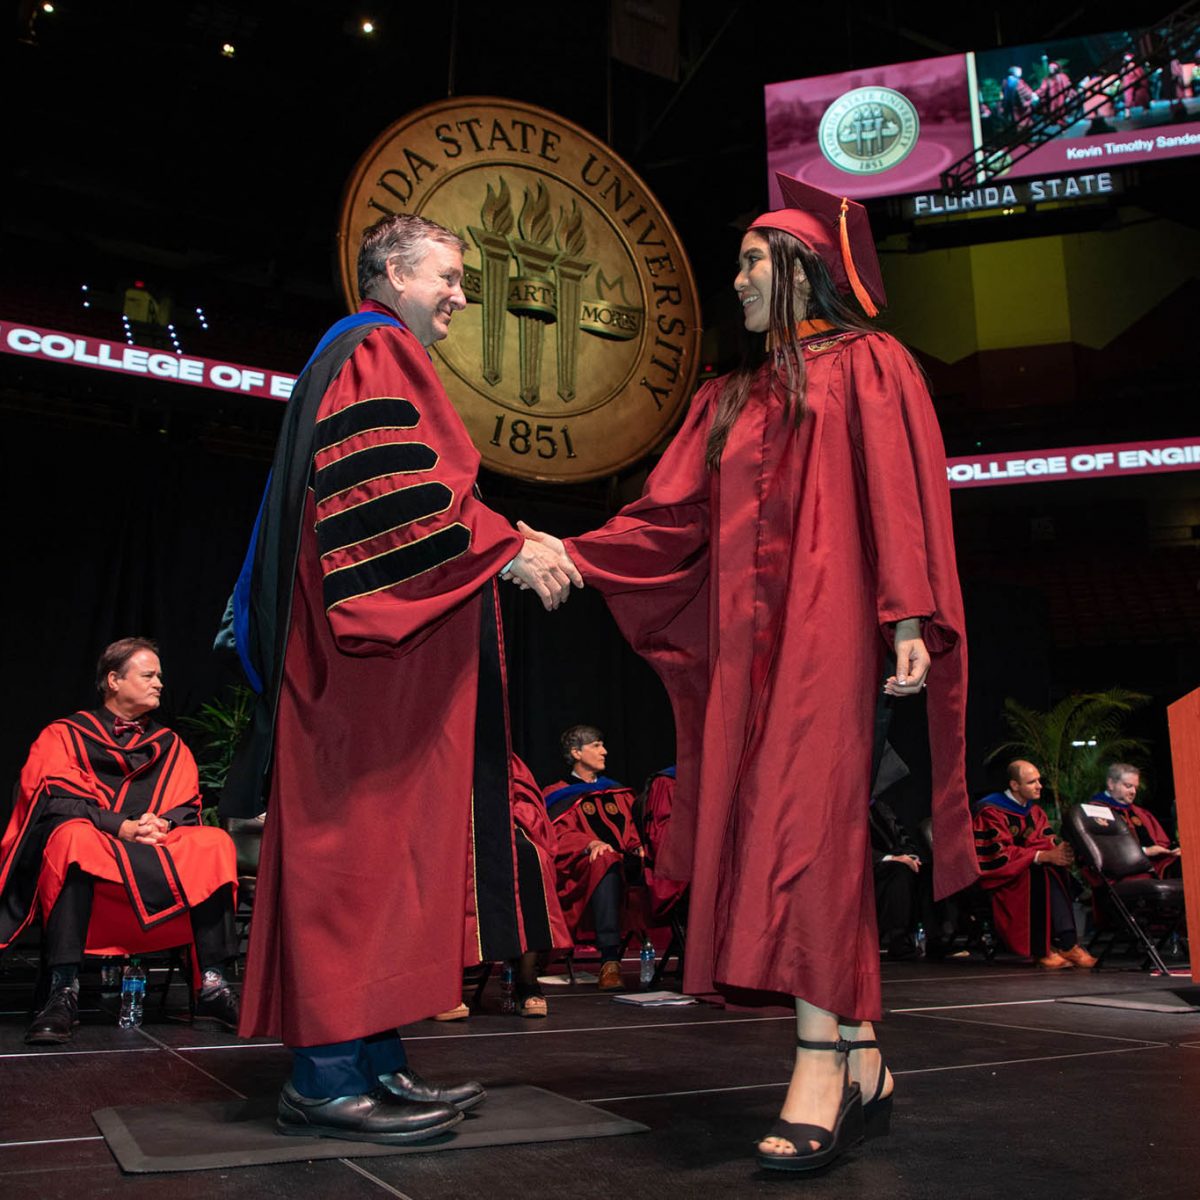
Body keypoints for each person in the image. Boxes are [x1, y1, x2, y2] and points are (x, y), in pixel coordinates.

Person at [519, 173, 976, 1171]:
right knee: (777, 825)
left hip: (830, 635)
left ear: (805, 270)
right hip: (745, 654)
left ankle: (817, 1059)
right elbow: (668, 518)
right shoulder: (724, 399)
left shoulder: (873, 364)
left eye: (751, 263)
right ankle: (859, 1055)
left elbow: (900, 491)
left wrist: (906, 611)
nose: (736, 282)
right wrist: (572, 554)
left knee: (802, 832)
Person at [224, 212, 582, 1145]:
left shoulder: (367, 355)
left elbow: (421, 492)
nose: (461, 294)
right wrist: (505, 550)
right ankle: (324, 1077)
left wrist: (509, 536)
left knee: (385, 863)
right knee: (352, 857)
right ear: (390, 273)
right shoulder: (372, 352)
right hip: (358, 673)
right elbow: (394, 504)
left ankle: (378, 1061)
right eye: (449, 276)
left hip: (378, 671)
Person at [0, 638, 240, 1044]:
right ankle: (64, 989)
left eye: (160, 676)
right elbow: (52, 800)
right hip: (96, 847)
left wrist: (156, 825)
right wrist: (120, 826)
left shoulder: (170, 744)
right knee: (70, 838)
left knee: (214, 842)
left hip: (153, 849)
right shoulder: (65, 735)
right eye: (149, 675)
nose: (159, 684)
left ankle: (213, 987)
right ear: (113, 680)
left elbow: (186, 806)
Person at [542, 726, 644, 991]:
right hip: (581, 870)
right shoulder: (558, 795)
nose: (604, 751)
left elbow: (631, 832)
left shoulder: (617, 793)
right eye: (596, 745)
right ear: (576, 752)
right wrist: (590, 843)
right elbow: (557, 837)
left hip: (624, 866)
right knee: (605, 858)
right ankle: (610, 962)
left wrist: (638, 847)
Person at [973, 760, 1096, 969]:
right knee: (1042, 871)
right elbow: (997, 854)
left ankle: (1067, 944)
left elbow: (1045, 840)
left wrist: (1060, 851)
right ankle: (1044, 949)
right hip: (1001, 877)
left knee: (1051, 868)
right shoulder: (990, 811)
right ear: (1014, 785)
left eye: (1039, 780)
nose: (1039, 786)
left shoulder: (1034, 811)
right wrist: (1040, 856)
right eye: (1032, 782)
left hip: (1027, 871)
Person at [1088, 763, 1180, 879]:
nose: (1133, 792)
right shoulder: (1095, 811)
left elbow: (1161, 842)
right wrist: (1145, 851)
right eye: (1128, 786)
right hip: (1125, 873)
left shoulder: (1140, 813)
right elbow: (1105, 851)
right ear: (1111, 784)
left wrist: (1172, 850)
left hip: (1156, 865)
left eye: (1135, 787)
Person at [1036, 61, 1075, 128]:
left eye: (1051, 68)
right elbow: (1042, 89)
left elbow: (1068, 86)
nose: (1050, 69)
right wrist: (1035, 94)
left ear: (1055, 69)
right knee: (1053, 112)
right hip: (1052, 100)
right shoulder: (1047, 79)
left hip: (1061, 98)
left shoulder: (1063, 77)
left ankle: (1063, 125)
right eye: (1049, 68)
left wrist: (1069, 96)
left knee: (1061, 112)